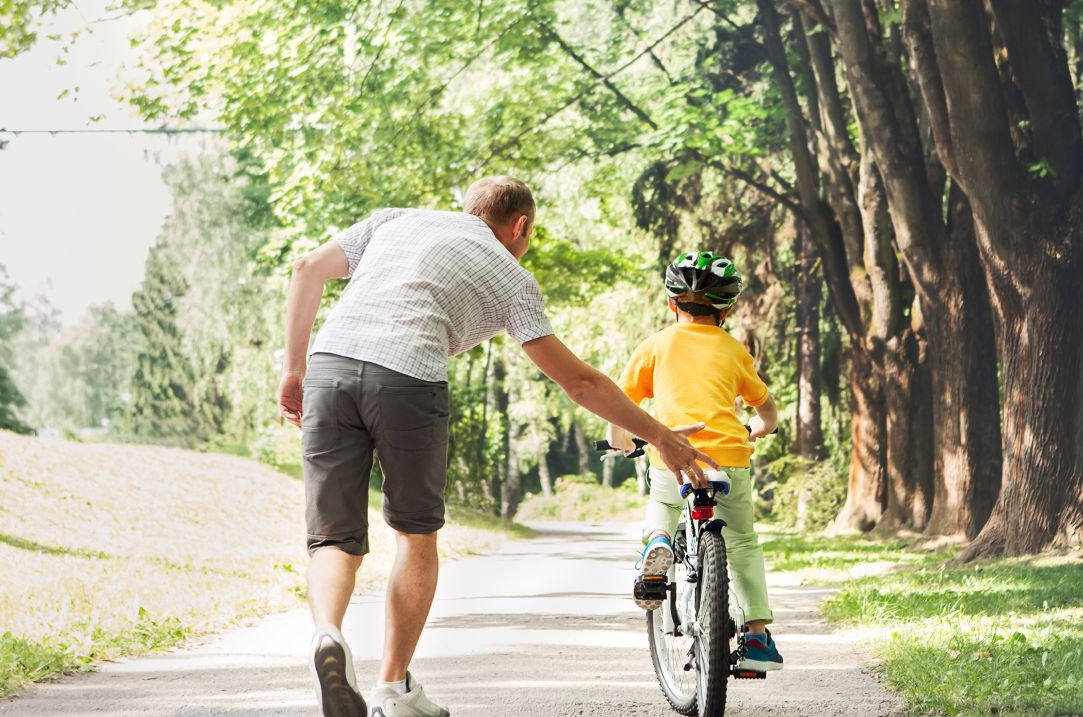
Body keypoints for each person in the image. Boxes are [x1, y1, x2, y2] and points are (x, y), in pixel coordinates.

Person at [278, 176, 719, 717]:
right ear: (521, 225)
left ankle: (328, 635)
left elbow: (307, 269)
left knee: (333, 538)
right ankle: (392, 689)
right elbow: (579, 382)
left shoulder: (395, 219)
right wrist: (661, 436)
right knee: (415, 537)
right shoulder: (510, 275)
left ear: (468, 209)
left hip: (331, 367)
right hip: (409, 376)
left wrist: (293, 370)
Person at [605, 251, 785, 672]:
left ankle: (658, 542)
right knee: (741, 541)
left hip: (673, 457)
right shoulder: (735, 350)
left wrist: (621, 440)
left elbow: (620, 404)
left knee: (664, 502)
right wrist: (762, 427)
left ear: (672, 303)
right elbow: (765, 407)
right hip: (728, 461)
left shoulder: (654, 346)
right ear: (727, 308)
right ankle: (757, 638)